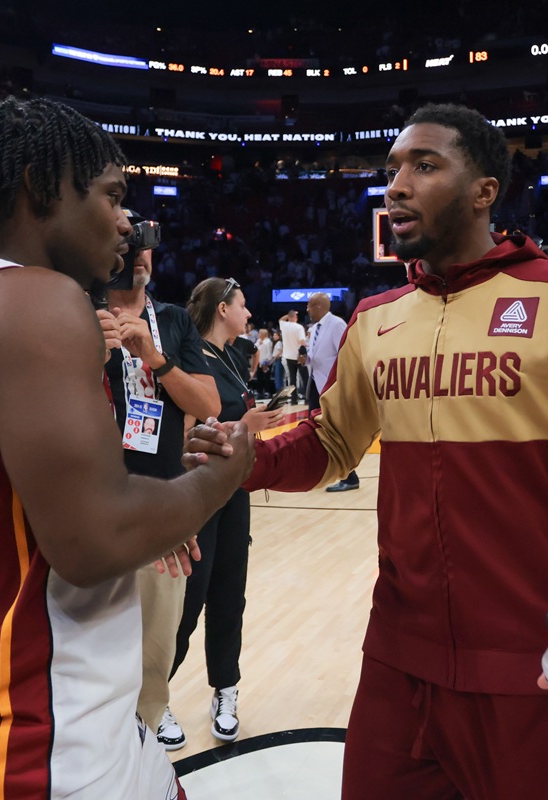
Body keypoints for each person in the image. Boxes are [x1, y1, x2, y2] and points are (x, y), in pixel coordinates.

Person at [201, 103, 548, 798]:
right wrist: (250, 458)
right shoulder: (375, 320)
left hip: (534, 667)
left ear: (484, 191)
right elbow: (330, 441)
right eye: (392, 169)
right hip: (397, 664)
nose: (395, 185)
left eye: (424, 166)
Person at [0, 97, 252, 799]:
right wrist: (221, 477)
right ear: (37, 187)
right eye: (111, 196)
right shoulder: (33, 301)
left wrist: (151, 511)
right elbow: (95, 540)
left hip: (57, 714)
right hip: (25, 745)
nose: (126, 221)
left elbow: (36, 505)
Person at [98, 231, 220, 754]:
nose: (138, 254)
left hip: (160, 507)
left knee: (155, 645)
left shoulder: (172, 320)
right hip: (92, 508)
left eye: (144, 244)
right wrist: (90, 352)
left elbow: (208, 403)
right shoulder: (77, 314)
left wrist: (154, 357)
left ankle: (148, 728)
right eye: (127, 240)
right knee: (91, 647)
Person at [170, 277, 285, 746]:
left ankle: (226, 689)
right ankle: (153, 698)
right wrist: (244, 424)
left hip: (234, 491)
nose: (249, 314)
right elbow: (184, 433)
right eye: (243, 305)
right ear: (222, 308)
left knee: (229, 596)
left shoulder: (233, 357)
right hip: (199, 492)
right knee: (189, 599)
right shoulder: (190, 356)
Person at [305, 292, 359, 492]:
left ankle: (350, 477)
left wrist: (343, 385)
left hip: (332, 387)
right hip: (315, 384)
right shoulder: (314, 328)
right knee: (315, 429)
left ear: (318, 307)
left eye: (309, 306)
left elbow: (347, 354)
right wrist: (306, 360)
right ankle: (321, 470)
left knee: (337, 432)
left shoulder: (336, 324)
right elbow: (316, 356)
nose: (307, 309)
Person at [278, 309, 305, 401]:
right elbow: (302, 341)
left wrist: (289, 315)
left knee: (292, 379)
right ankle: (306, 397)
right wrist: (302, 353)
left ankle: (294, 400)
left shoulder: (284, 325)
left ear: (289, 317)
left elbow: (281, 319)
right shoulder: (299, 327)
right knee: (304, 377)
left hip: (288, 356)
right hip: (298, 356)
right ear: (296, 317)